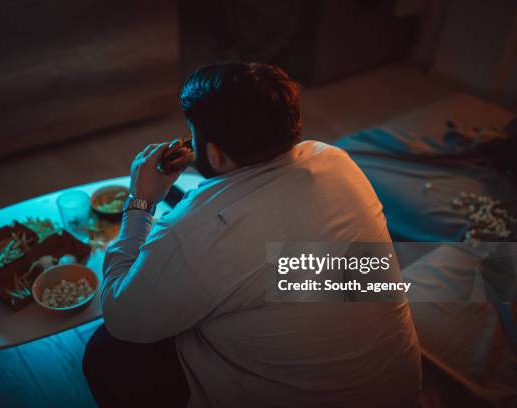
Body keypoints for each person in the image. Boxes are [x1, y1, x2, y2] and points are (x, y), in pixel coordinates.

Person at [83, 62, 422, 408]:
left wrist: (139, 202)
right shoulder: (335, 160)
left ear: (214, 153)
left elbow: (123, 317)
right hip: (400, 391)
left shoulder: (204, 230)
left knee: (106, 351)